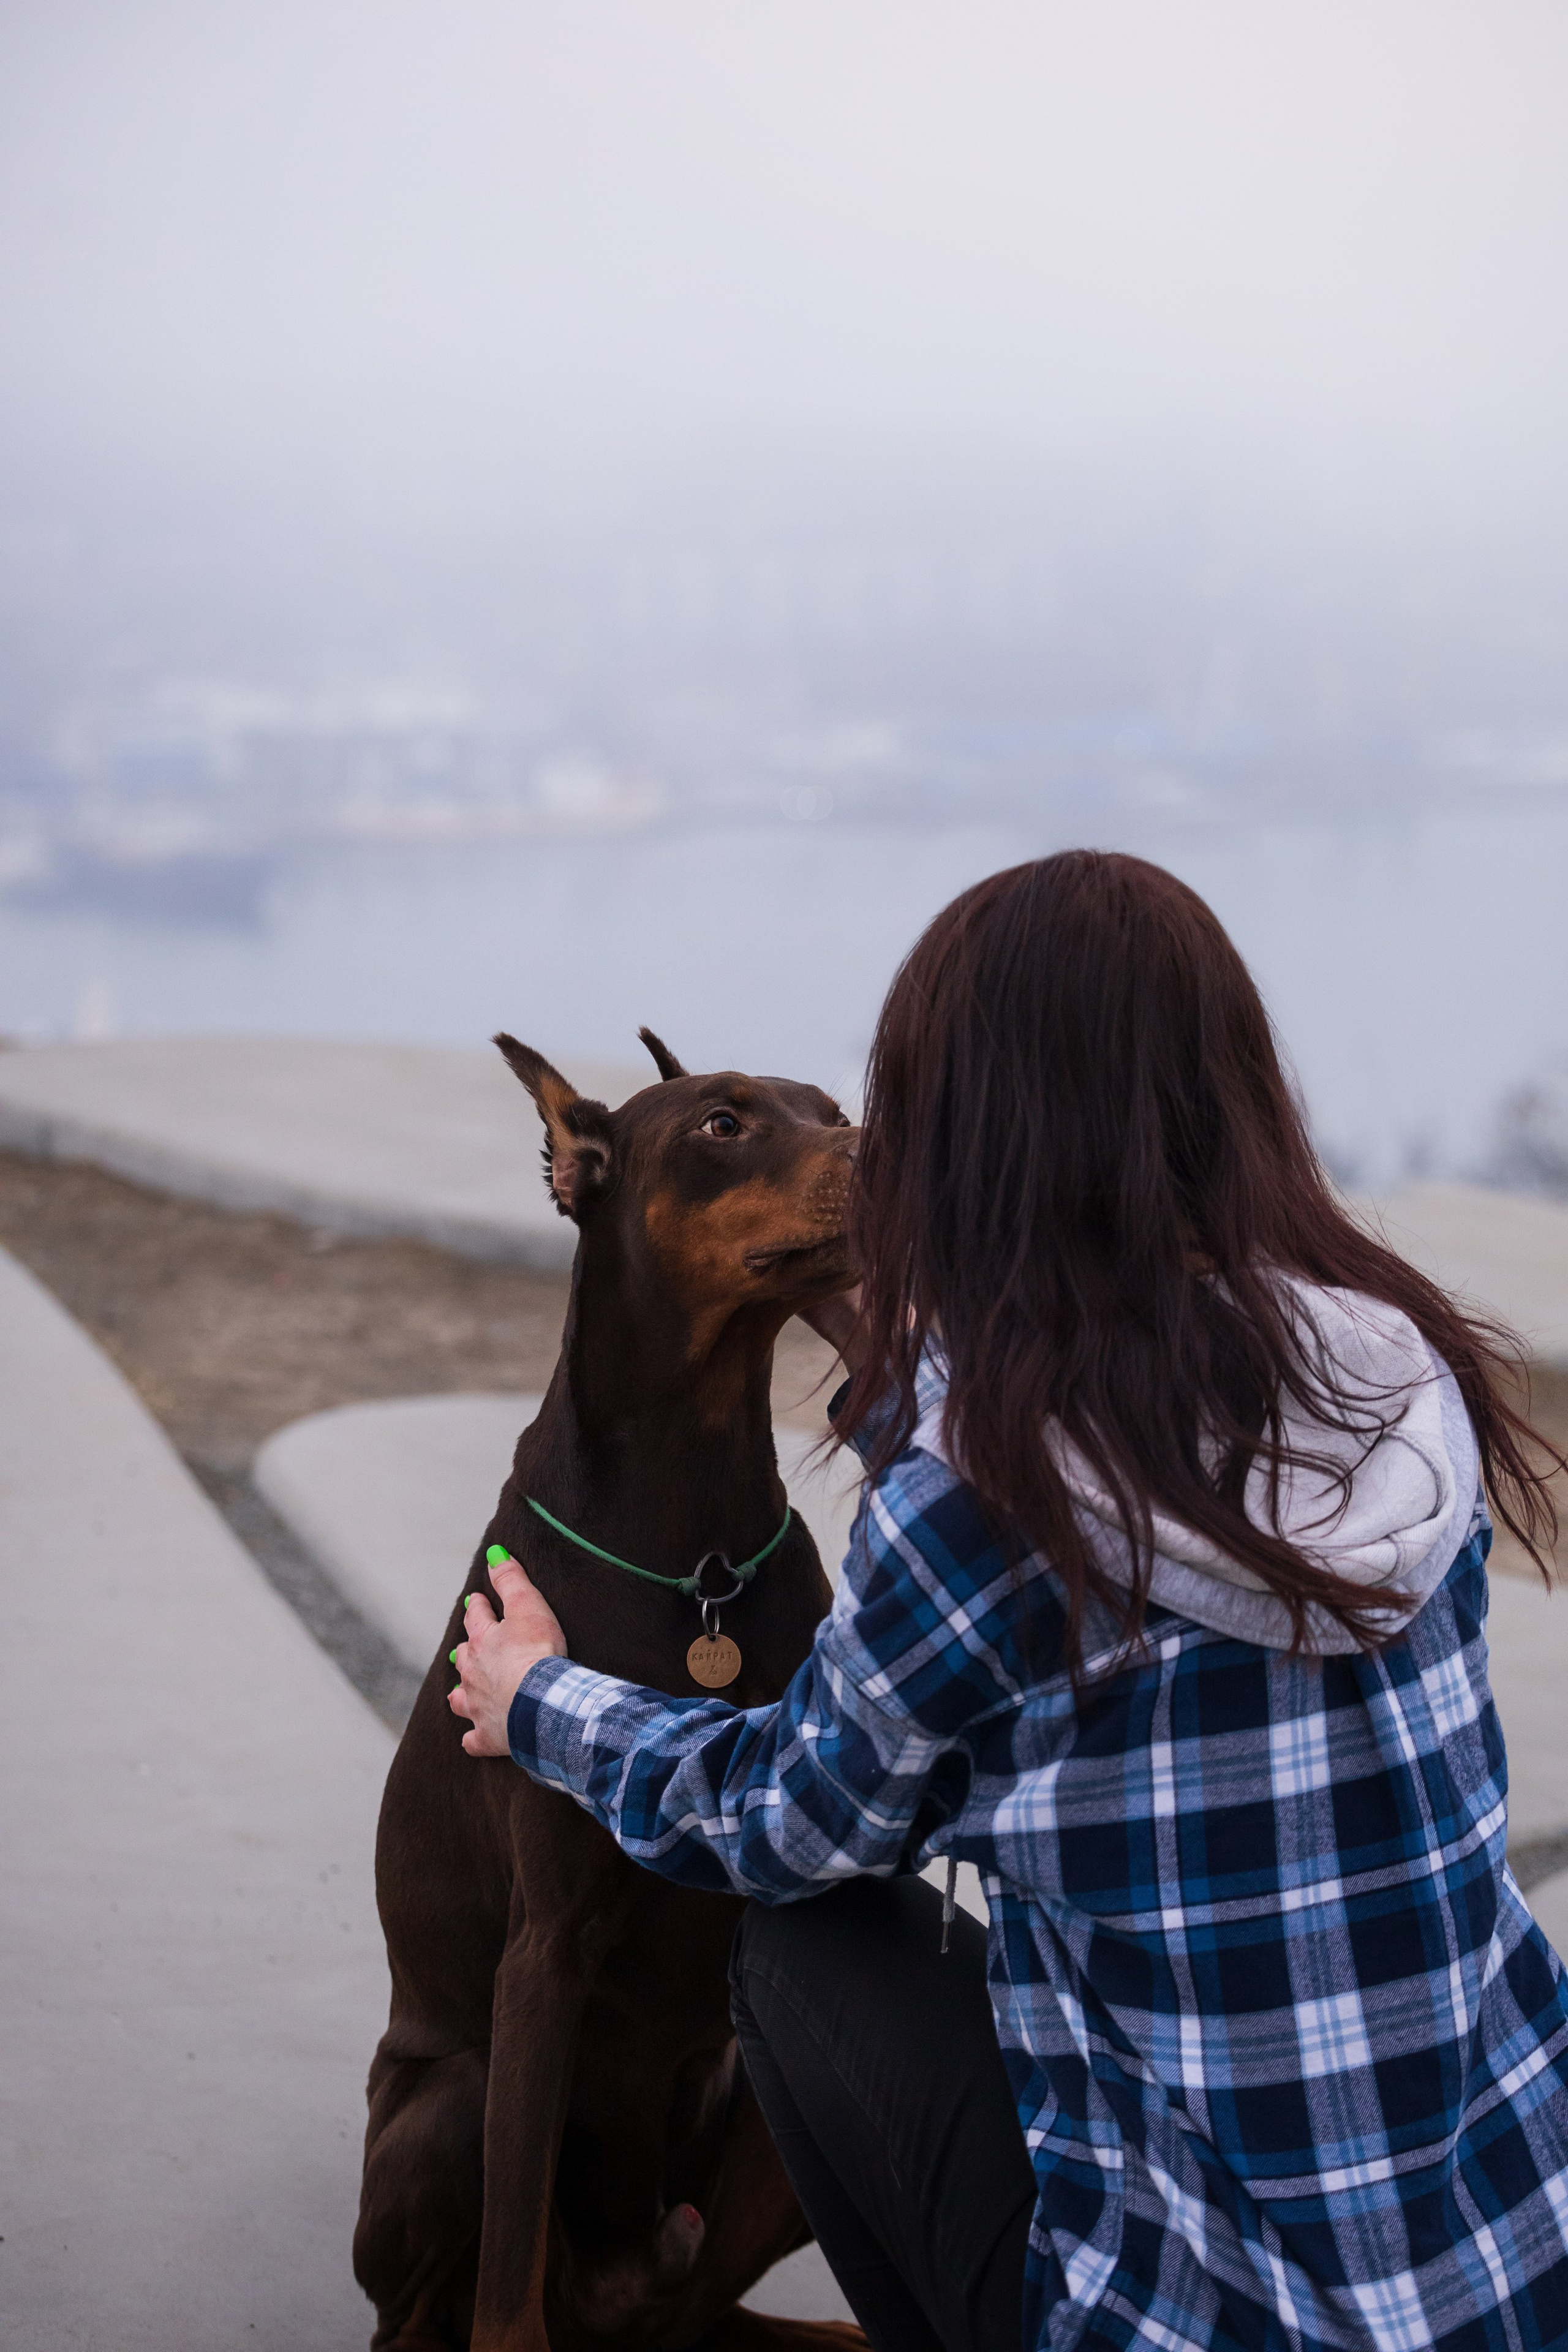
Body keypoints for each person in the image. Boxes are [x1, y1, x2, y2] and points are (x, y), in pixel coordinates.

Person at [450, 851, 1568, 2352]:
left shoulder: (980, 1498)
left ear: (961, 1128)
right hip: (1506, 2265)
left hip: (1194, 2318)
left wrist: (541, 1701)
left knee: (798, 1936)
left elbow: (786, 1821)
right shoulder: (1389, 1368)